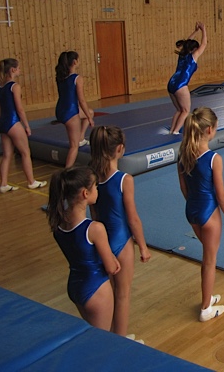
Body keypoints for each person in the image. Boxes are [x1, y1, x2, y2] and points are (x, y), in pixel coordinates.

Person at [89, 125, 151, 337]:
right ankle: (121, 340)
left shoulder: (92, 178)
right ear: (119, 149)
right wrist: (142, 246)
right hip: (121, 240)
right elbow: (132, 218)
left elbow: (94, 214)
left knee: (111, 291)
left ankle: (112, 335)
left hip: (102, 241)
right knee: (123, 295)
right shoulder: (124, 180)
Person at [179, 107, 224, 321]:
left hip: (192, 211)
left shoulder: (183, 155)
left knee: (207, 256)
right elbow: (221, 194)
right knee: (209, 260)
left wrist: (194, 205)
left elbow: (184, 188)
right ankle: (206, 308)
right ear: (209, 130)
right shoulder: (214, 158)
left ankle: (208, 295)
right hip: (209, 212)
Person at [45, 166, 121, 329]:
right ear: (85, 193)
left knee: (91, 333)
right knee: (101, 338)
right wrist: (114, 259)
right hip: (96, 287)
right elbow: (111, 267)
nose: (97, 190)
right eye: (95, 186)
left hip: (75, 286)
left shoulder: (58, 226)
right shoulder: (95, 229)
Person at [0, 58, 47, 193]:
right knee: (26, 152)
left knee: (7, 155)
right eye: (18, 68)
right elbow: (19, 109)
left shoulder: (0, 86)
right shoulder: (15, 86)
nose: (20, 70)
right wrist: (26, 125)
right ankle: (31, 181)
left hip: (3, 123)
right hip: (13, 122)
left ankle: (3, 184)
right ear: (13, 70)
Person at [55, 51, 95, 168]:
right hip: (70, 112)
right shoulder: (77, 78)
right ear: (74, 62)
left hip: (60, 110)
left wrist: (88, 114)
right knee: (74, 146)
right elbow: (81, 100)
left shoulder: (60, 77)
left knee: (90, 112)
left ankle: (81, 137)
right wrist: (89, 118)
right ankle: (67, 171)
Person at [168, 22, 207, 135]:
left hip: (171, 83)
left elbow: (187, 43)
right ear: (194, 49)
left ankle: (171, 130)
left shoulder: (182, 54)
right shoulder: (193, 56)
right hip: (181, 85)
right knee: (185, 111)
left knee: (179, 110)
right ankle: (175, 131)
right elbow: (204, 44)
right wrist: (203, 30)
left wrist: (195, 31)